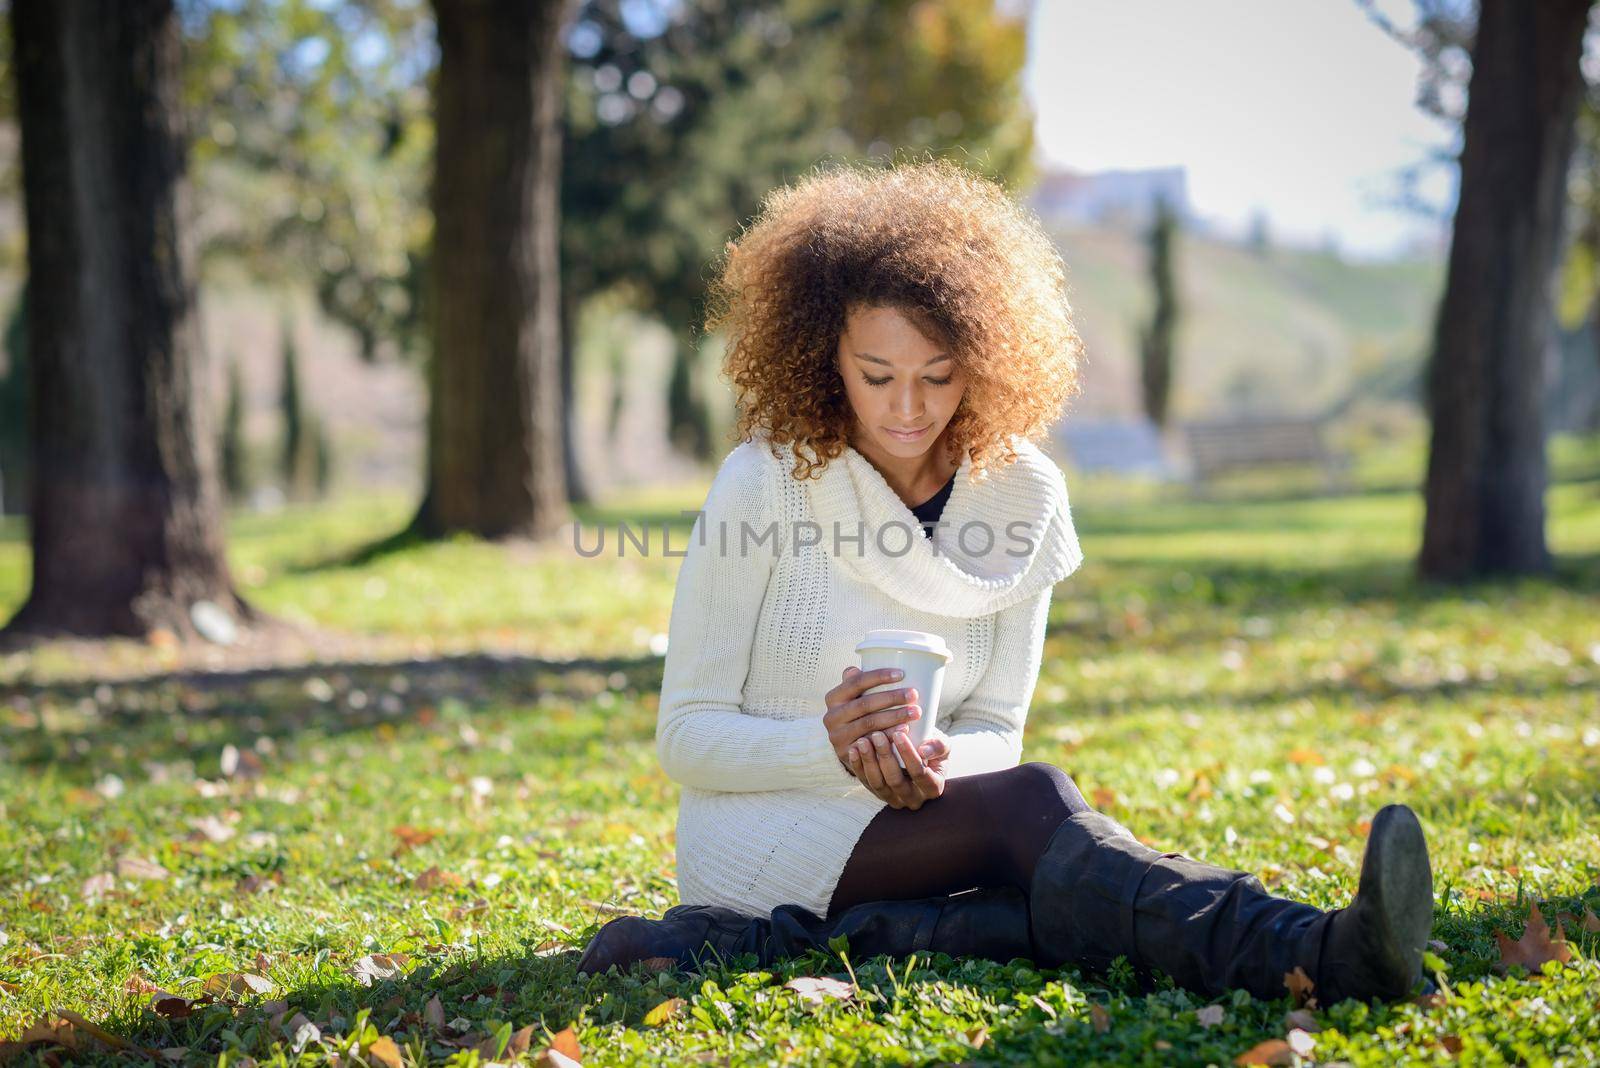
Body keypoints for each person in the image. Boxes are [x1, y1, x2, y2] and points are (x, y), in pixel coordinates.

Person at [577, 159, 1435, 1006]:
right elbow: (686, 736)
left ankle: (737, 946)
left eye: (937, 376)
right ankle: (1322, 951)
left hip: (925, 818)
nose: (907, 408)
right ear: (822, 352)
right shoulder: (764, 480)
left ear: (983, 360)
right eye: (876, 375)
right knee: (1035, 807)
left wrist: (929, 763)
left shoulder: (1026, 496)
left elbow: (995, 725)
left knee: (1034, 897)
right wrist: (833, 748)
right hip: (759, 830)